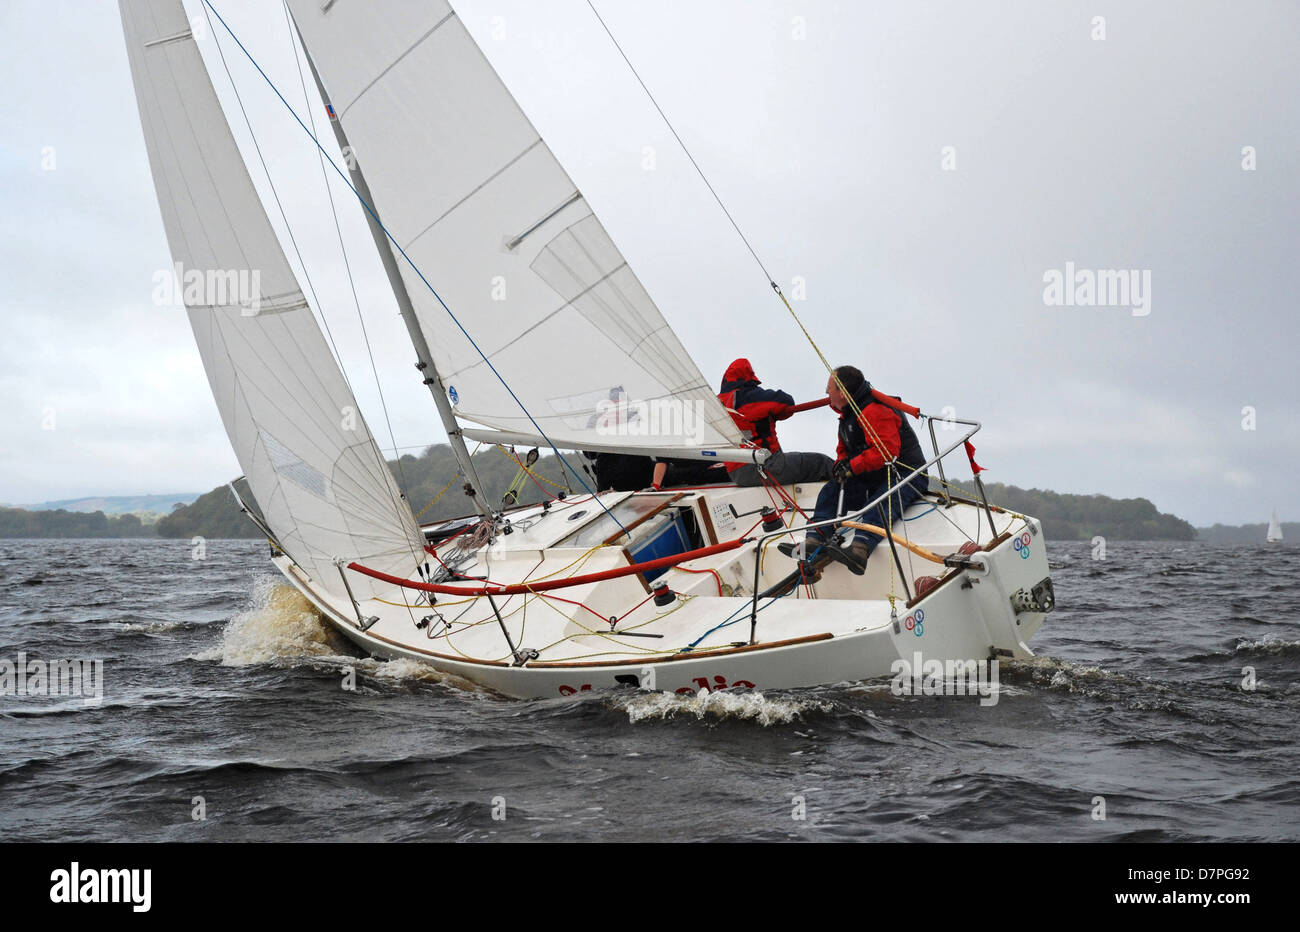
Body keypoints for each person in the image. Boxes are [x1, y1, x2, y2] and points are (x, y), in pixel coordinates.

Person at [785, 365, 929, 577]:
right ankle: (814, 539)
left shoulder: (875, 410)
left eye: (829, 388)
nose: (826, 392)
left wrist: (852, 466)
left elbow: (886, 452)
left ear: (842, 393)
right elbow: (844, 449)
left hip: (907, 475)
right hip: (875, 473)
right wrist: (842, 464)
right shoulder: (848, 413)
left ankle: (860, 550)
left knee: (880, 503)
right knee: (830, 491)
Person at [717, 358, 833, 487]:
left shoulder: (717, 404)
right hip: (763, 467)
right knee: (820, 463)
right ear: (749, 376)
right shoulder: (751, 396)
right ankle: (855, 492)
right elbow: (786, 401)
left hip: (737, 473)